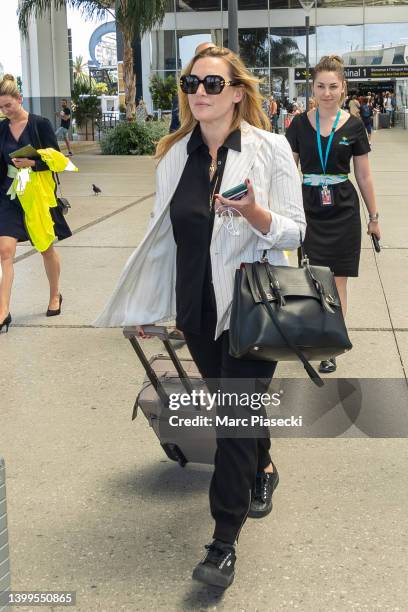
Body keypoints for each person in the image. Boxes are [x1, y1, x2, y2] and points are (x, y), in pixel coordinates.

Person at [95, 45, 305, 588]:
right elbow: (163, 239)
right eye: (192, 84)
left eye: (212, 84)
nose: (200, 94)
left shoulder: (271, 148)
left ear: (238, 92)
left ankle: (222, 543)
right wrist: (152, 306)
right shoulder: (173, 156)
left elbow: (296, 230)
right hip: (195, 310)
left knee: (233, 419)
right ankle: (263, 467)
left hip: (253, 309)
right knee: (236, 409)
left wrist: (256, 213)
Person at [285, 55, 381, 374]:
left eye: (333, 86)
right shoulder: (298, 124)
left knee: (336, 279)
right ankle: (315, 333)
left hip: (343, 209)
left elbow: (364, 176)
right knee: (313, 278)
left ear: (343, 88)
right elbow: (287, 170)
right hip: (309, 208)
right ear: (312, 88)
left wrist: (374, 217)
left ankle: (331, 343)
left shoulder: (354, 126)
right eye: (320, 86)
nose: (327, 92)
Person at [0, 75, 72, 333]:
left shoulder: (40, 124)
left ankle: (55, 294)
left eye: (8, 105)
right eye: (1, 107)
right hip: (10, 193)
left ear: (20, 99)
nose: (5, 111)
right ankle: (3, 311)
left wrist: (33, 163)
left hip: (37, 194)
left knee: (45, 248)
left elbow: (57, 160)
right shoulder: (1, 129)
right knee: (5, 251)